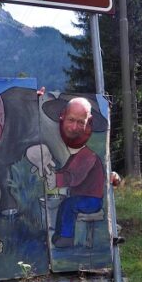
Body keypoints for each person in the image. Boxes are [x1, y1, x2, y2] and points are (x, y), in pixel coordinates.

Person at [47, 97, 105, 248]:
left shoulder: (87, 156)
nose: (74, 128)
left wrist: (57, 179)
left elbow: (74, 177)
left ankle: (66, 237)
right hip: (83, 197)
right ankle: (60, 234)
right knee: (66, 204)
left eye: (81, 122)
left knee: (69, 205)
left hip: (92, 200)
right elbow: (67, 171)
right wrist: (54, 173)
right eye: (71, 120)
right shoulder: (76, 156)